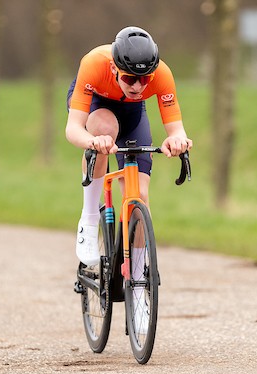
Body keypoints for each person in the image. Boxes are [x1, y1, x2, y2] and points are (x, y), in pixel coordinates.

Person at [66, 26, 193, 267]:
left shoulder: (162, 74)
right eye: (129, 78)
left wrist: (176, 141)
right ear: (115, 68)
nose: (137, 87)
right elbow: (72, 129)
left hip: (133, 115)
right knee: (105, 129)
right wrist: (92, 141)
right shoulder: (94, 63)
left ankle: (137, 274)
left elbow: (177, 129)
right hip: (96, 106)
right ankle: (89, 220)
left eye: (145, 79)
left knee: (140, 198)